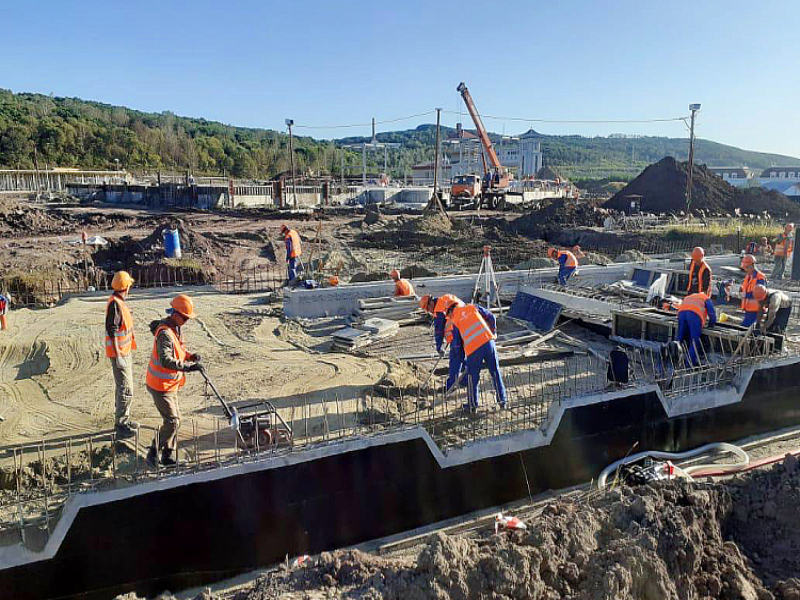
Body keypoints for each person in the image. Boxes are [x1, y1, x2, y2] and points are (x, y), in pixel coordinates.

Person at [146, 294, 202, 467]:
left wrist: (190, 356)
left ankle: (168, 455)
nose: (186, 321)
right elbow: (166, 360)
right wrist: (188, 367)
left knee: (175, 420)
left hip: (170, 385)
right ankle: (153, 452)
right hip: (159, 385)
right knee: (172, 421)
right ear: (176, 314)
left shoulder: (175, 329)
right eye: (185, 318)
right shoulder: (165, 334)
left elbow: (178, 350)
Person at [444, 301, 506, 411]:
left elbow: (457, 347)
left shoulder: (455, 321)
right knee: (495, 372)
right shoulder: (473, 307)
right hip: (489, 342)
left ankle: (472, 406)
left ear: (450, 311)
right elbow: (491, 316)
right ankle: (502, 401)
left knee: (472, 379)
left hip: (474, 349)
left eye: (447, 314)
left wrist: (462, 362)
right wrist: (493, 332)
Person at [105, 271, 138, 439]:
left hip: (124, 353)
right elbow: (112, 330)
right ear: (125, 287)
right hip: (119, 354)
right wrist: (118, 355)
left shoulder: (118, 302)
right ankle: (121, 424)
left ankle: (123, 419)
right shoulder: (115, 305)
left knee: (124, 388)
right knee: (126, 389)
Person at [420, 294, 465, 392]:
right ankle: (465, 381)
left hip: (456, 332)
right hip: (465, 328)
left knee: (455, 359)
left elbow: (439, 330)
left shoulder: (439, 309)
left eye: (428, 308)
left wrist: (439, 347)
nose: (429, 311)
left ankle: (451, 386)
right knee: (463, 356)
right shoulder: (446, 299)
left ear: (431, 303)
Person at [676, 292, 717, 367]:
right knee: (694, 341)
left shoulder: (689, 296)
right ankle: (689, 364)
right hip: (694, 315)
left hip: (681, 314)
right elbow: (712, 314)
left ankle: (675, 361)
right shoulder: (705, 298)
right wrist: (711, 325)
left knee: (680, 339)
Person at [740, 254, 767, 327]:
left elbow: (760, 294)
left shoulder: (760, 277)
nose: (745, 269)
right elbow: (747, 289)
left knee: (747, 328)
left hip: (756, 311)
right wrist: (742, 291)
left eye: (746, 267)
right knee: (744, 328)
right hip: (748, 309)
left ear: (752, 266)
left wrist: (745, 295)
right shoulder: (748, 276)